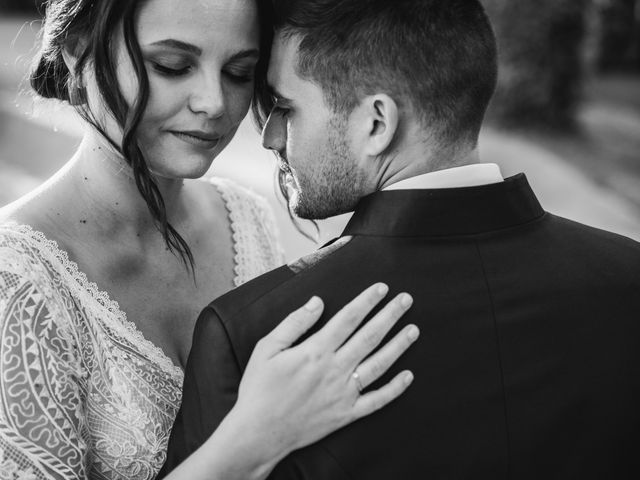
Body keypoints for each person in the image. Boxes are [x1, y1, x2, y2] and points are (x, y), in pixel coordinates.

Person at [163, 0, 640, 478]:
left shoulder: (256, 336)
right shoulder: (628, 278)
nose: (271, 137)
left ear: (376, 123)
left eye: (286, 107)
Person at [0, 0, 421, 479]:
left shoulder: (244, 218)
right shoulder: (16, 281)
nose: (214, 103)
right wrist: (257, 436)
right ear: (78, 53)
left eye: (240, 73)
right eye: (172, 66)